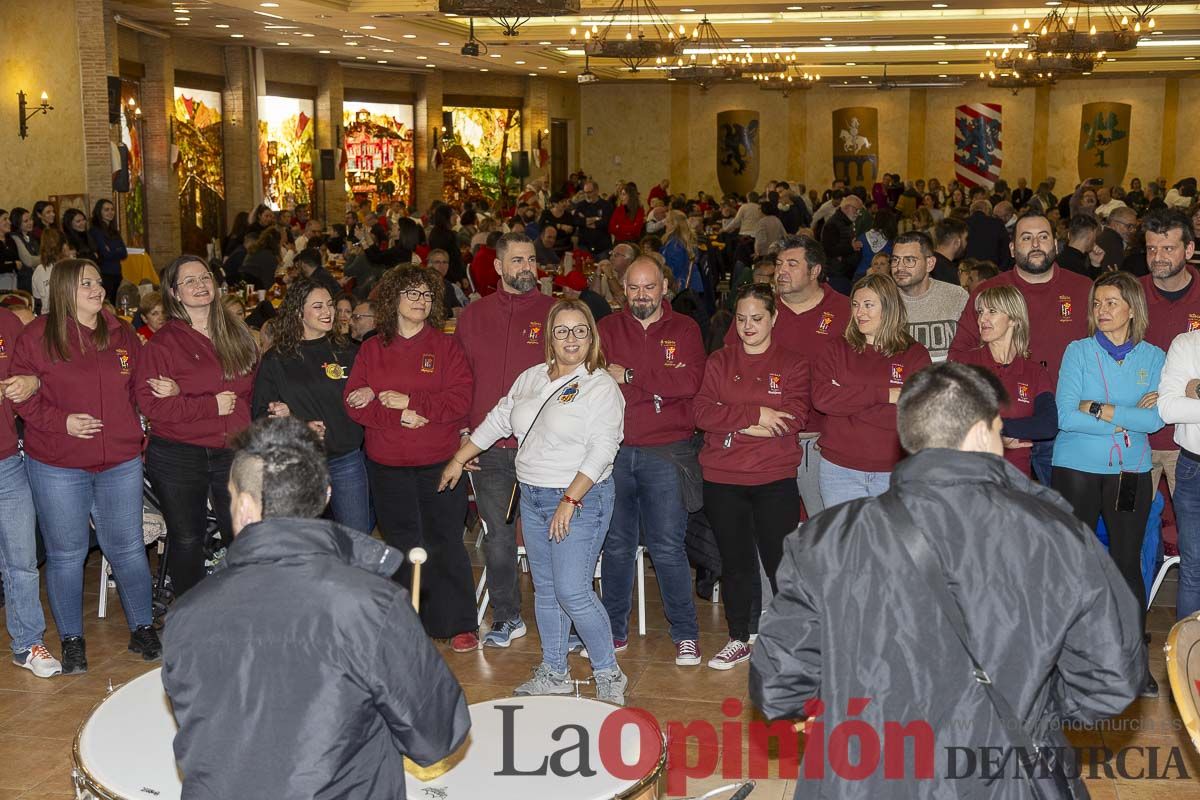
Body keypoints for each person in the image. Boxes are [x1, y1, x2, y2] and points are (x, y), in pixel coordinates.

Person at [751, 361, 1145, 799]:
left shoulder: (823, 538)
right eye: (999, 430)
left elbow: (778, 686)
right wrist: (1033, 707)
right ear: (980, 432)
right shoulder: (1059, 535)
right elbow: (1110, 682)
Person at [162, 416, 469, 799]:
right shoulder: (371, 606)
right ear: (325, 495)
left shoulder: (185, 614)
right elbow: (438, 737)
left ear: (242, 506)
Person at [441, 299, 628, 702]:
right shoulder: (530, 378)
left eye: (580, 330)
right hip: (532, 494)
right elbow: (498, 419)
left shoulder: (600, 386)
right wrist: (460, 457)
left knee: (572, 591)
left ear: (592, 336)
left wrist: (570, 500)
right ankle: (554, 670)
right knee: (546, 590)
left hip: (580, 498)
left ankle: (609, 672)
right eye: (562, 330)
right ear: (549, 337)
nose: (571, 338)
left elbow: (602, 448)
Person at [13, 259, 159, 674]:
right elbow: (21, 393)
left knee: (128, 548)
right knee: (67, 554)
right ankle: (73, 640)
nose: (97, 289)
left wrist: (142, 426)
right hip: (58, 464)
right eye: (86, 284)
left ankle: (143, 628)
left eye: (97, 282)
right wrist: (62, 422)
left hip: (119, 461)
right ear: (62, 290)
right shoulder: (37, 335)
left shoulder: (120, 331)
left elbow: (140, 387)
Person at [345, 267, 478, 651]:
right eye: (412, 294)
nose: (421, 301)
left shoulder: (446, 346)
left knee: (444, 541)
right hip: (387, 463)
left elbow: (460, 400)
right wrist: (397, 415)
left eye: (426, 296)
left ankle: (458, 624)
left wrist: (409, 401)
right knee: (402, 543)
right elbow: (354, 403)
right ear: (393, 299)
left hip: (438, 461)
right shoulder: (372, 348)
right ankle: (406, 623)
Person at [1051, 271, 1163, 698]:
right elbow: (1065, 416)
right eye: (1097, 303)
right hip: (1075, 469)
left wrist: (1097, 408)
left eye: (1112, 302)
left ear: (1132, 308)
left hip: (1130, 472)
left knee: (1126, 565)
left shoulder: (1153, 358)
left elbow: (1154, 420)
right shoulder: (1077, 351)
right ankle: (1068, 660)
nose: (1102, 310)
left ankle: (1134, 662)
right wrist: (1125, 417)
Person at [695, 283, 808, 670]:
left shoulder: (793, 363)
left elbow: (792, 420)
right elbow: (702, 413)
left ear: (773, 318)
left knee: (781, 563)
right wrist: (756, 416)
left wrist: (732, 426)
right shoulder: (719, 361)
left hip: (774, 478)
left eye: (756, 318)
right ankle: (739, 636)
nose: (748, 326)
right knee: (736, 563)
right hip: (724, 478)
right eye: (741, 319)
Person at [597, 256, 704, 665]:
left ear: (664, 288)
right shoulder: (606, 329)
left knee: (667, 547)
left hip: (668, 451)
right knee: (618, 546)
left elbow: (689, 382)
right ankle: (613, 630)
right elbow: (591, 379)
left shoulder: (686, 329)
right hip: (614, 451)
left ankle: (686, 634)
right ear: (624, 289)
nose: (642, 295)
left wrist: (628, 377)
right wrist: (656, 381)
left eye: (650, 287)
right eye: (635, 288)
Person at [135, 255, 259, 598]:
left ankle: (244, 605)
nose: (199, 285)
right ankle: (192, 615)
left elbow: (250, 392)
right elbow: (152, 405)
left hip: (231, 449)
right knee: (187, 536)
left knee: (241, 532)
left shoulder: (237, 334)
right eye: (188, 281)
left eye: (204, 277)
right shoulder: (164, 343)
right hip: (178, 452)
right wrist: (208, 404)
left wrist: (185, 392)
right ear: (174, 293)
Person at [455, 232, 555, 648]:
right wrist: (465, 435)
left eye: (531, 260)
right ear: (498, 267)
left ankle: (563, 622)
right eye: (516, 261)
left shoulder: (555, 314)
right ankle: (508, 617)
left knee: (555, 536)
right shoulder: (472, 317)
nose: (526, 268)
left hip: (545, 447)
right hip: (489, 447)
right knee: (497, 537)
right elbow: (458, 381)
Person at [951, 212, 1093, 484]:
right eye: (1026, 238)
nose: (1036, 244)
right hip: (1006, 423)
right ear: (1013, 248)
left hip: (1068, 425)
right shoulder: (989, 292)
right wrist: (993, 421)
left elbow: (1103, 351)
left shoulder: (1083, 288)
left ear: (1055, 244)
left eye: (1043, 237)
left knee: (1062, 514)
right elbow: (958, 358)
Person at [253, 278, 368, 533]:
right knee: (307, 544)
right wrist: (299, 425)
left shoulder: (350, 350)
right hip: (300, 464)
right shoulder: (277, 359)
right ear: (298, 312)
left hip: (346, 459)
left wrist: (369, 391)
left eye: (329, 304)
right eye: (318, 306)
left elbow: (373, 390)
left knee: (356, 538)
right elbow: (260, 416)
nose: (328, 312)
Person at [813, 273, 932, 505]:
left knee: (891, 542)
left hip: (895, 472)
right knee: (845, 541)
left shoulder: (915, 354)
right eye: (856, 305)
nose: (859, 313)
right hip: (839, 471)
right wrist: (886, 395)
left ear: (889, 308)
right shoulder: (836, 349)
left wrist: (847, 402)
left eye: (868, 305)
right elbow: (822, 399)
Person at [0, 305, 58, 676]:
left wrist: (32, 383)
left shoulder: (7, 322)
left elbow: (38, 371)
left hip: (6, 461)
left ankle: (27, 642)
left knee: (22, 559)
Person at [950, 285, 1055, 477]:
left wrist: (1000, 429)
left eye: (992, 311)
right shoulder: (963, 364)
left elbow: (1048, 424)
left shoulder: (1035, 373)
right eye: (980, 312)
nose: (982, 319)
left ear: (1014, 319)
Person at [1137, 209, 1200, 505]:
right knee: (1132, 530)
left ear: (1189, 249)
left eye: (1167, 248)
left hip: (1189, 441)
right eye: (1151, 249)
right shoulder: (1129, 295)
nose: (1158, 256)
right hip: (1136, 436)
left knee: (1191, 532)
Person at [889, 231, 968, 363]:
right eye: (895, 260)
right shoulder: (883, 300)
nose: (899, 267)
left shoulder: (957, 297)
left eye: (909, 260)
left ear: (930, 263)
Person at [820, 194, 863, 294]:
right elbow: (829, 250)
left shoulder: (846, 223)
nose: (858, 214)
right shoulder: (832, 224)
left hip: (845, 273)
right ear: (848, 208)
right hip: (836, 274)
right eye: (857, 210)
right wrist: (851, 247)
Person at [87, 199, 128, 304]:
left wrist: (112, 249)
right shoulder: (95, 231)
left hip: (117, 273)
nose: (110, 212)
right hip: (104, 273)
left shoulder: (114, 231)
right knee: (106, 304)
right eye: (106, 210)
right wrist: (116, 249)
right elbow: (105, 254)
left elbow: (124, 253)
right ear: (99, 212)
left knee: (116, 303)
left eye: (112, 209)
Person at [661, 210, 704, 296]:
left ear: (674, 224)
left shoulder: (675, 244)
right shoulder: (684, 240)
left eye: (667, 221)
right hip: (692, 285)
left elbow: (674, 270)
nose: (665, 224)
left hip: (682, 288)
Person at [30, 228, 72, 315]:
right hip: (51, 317)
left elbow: (38, 303)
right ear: (63, 247)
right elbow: (38, 304)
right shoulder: (40, 270)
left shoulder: (39, 270)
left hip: (56, 316)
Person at [963, 198, 1010, 269]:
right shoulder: (997, 224)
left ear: (971, 212)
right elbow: (1006, 251)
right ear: (987, 211)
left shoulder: (961, 223)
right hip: (990, 270)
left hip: (966, 269)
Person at [428, 204, 466, 284]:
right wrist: (457, 279)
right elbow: (450, 259)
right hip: (448, 278)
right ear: (445, 217)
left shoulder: (440, 233)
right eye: (453, 214)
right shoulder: (444, 235)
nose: (456, 217)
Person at [931, 216, 968, 284]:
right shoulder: (949, 272)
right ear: (957, 242)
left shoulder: (928, 262)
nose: (966, 244)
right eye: (965, 239)